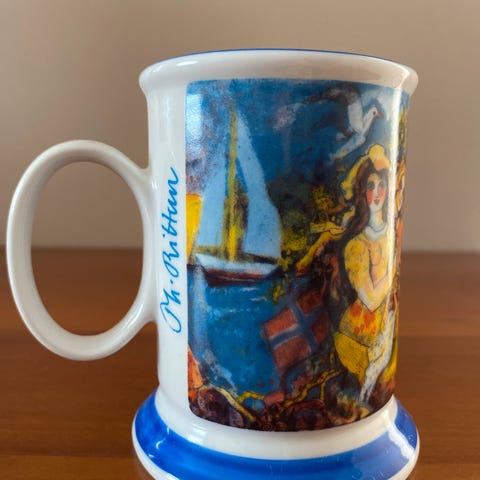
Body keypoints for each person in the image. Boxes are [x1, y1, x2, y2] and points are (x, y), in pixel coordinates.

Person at [334, 144, 396, 404]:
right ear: (362, 193)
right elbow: (370, 299)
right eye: (371, 186)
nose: (377, 193)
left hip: (383, 331)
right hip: (359, 337)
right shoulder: (356, 245)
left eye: (382, 186)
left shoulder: (391, 234)